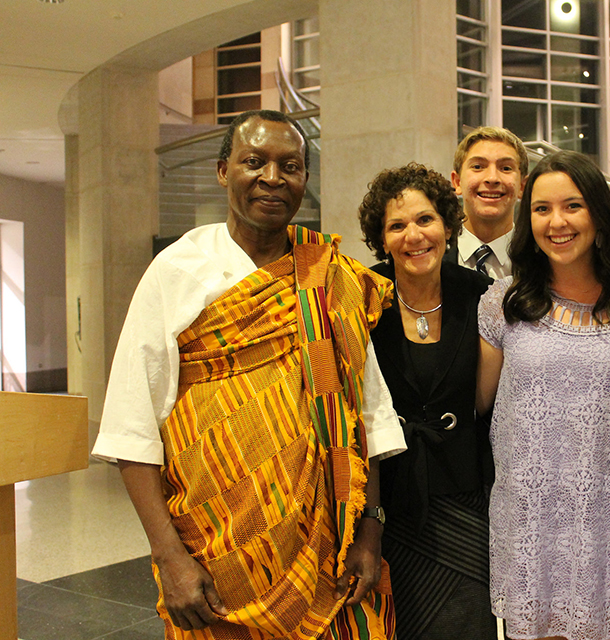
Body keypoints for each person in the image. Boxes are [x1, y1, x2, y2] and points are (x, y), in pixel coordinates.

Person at [92, 110, 404, 640]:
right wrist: (170, 558)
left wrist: (369, 535)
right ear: (222, 171)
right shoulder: (177, 270)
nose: (273, 178)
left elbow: (369, 414)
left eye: (291, 166)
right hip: (216, 551)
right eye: (254, 162)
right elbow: (132, 425)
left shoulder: (329, 278)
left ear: (305, 179)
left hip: (331, 547)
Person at [477, 150, 610, 640]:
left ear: (598, 214)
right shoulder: (504, 302)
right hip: (530, 518)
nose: (556, 222)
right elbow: (478, 406)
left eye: (572, 206)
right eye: (541, 209)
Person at [357, 163, 496, 639]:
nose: (413, 236)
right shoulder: (361, 299)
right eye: (397, 226)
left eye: (425, 220)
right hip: (385, 507)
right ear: (381, 238)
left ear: (448, 226)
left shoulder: (481, 296)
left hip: (464, 500)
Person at [450, 126, 528, 278]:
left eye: (505, 168)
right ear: (457, 182)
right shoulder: (432, 255)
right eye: (478, 167)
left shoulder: (542, 261)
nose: (492, 178)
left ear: (522, 186)